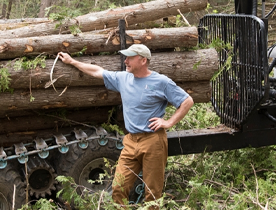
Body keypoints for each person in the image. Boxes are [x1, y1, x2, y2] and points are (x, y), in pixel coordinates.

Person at [57, 44, 194, 205]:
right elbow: (97, 71)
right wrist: (72, 61)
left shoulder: (161, 82)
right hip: (130, 141)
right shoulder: (124, 78)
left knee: (152, 193)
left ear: (143, 60)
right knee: (118, 188)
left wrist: (169, 122)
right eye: (126, 57)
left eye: (130, 58)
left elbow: (187, 101)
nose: (126, 61)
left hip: (153, 142)